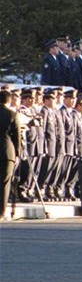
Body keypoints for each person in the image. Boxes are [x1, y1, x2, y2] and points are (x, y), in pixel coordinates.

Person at [0, 90, 22, 218]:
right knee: (4, 183)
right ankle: (1, 212)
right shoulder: (12, 114)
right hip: (7, 152)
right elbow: (17, 136)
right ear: (9, 101)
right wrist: (17, 152)